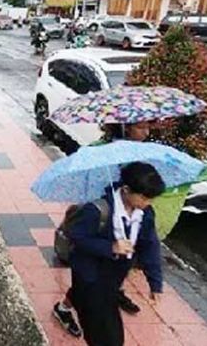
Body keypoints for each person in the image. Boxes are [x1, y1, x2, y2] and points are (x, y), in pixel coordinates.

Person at [53, 122, 149, 338]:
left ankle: (75, 304)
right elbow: (87, 210)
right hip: (102, 232)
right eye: (141, 127)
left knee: (100, 282)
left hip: (116, 248)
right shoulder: (101, 155)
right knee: (89, 284)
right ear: (126, 128)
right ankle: (66, 308)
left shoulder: (140, 156)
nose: (146, 132)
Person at [67, 162, 164, 346]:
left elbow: (150, 245)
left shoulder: (145, 213)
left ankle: (67, 307)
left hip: (114, 278)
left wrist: (155, 283)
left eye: (150, 199)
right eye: (143, 197)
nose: (147, 203)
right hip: (90, 277)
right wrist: (110, 247)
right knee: (106, 337)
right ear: (126, 190)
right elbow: (77, 237)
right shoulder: (98, 209)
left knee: (105, 332)